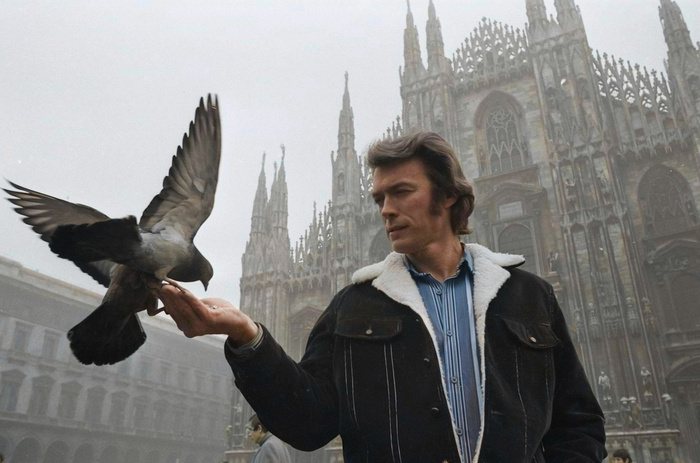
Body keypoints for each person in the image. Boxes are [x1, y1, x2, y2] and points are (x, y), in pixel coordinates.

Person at [156, 132, 606, 462]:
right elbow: (308, 422)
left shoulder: (527, 296)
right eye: (379, 198)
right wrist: (248, 336)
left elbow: (578, 421)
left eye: (402, 192)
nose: (386, 210)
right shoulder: (355, 305)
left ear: (449, 196)